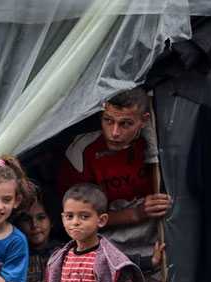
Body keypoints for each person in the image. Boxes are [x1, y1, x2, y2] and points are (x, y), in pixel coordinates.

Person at [57, 88, 171, 262]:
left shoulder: (158, 145)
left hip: (156, 241)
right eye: (108, 120)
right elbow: (77, 218)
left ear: (144, 120)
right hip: (104, 246)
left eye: (126, 124)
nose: (115, 132)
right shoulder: (82, 151)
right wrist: (136, 213)